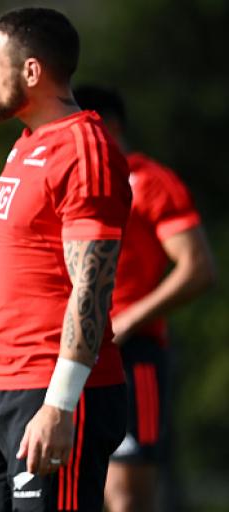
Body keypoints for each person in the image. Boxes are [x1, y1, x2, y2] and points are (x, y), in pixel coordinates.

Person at [0, 8, 132, 511]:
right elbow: (28, 279)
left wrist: (61, 403)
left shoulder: (85, 149)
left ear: (31, 71)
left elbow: (91, 288)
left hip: (56, 394)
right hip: (6, 389)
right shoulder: (26, 144)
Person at [73, 85, 215, 512]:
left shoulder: (148, 181)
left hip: (131, 357)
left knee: (126, 496)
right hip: (71, 354)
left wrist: (129, 320)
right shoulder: (71, 183)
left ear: (109, 126)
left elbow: (198, 267)